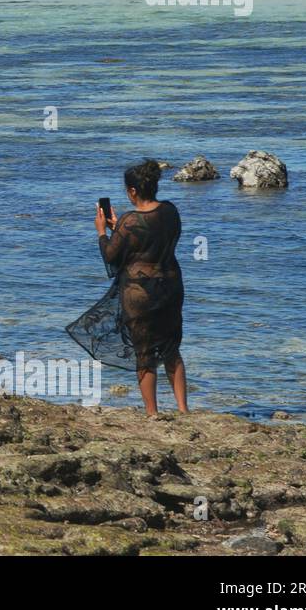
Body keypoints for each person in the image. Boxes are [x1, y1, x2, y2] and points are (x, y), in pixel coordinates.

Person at [94, 159, 187, 417]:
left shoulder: (130, 220)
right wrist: (121, 229)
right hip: (170, 286)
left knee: (144, 352)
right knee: (172, 348)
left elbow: (112, 257)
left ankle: (152, 412)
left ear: (132, 191)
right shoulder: (170, 211)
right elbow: (156, 240)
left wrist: (103, 232)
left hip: (139, 293)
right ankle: (183, 409)